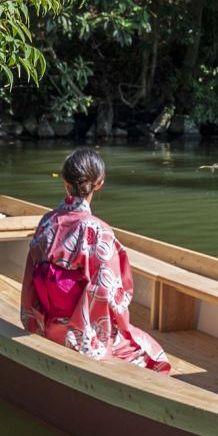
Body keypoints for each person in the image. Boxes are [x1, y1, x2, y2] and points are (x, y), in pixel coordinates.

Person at [20, 148, 171, 373]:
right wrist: (122, 326)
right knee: (154, 356)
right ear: (99, 184)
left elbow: (31, 279)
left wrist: (36, 323)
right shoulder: (99, 230)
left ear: (65, 182)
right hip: (84, 335)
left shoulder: (47, 222)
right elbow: (110, 293)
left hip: (48, 325)